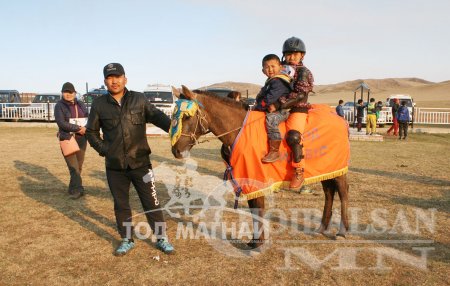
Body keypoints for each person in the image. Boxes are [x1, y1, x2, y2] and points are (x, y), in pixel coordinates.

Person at [86, 63, 174, 256]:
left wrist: (176, 131)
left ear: (125, 78)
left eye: (118, 77)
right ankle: (127, 239)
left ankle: (161, 238)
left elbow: (158, 117)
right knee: (121, 204)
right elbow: (91, 132)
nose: (114, 81)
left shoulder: (139, 99)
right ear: (105, 81)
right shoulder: (99, 104)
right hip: (115, 166)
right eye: (110, 77)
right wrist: (105, 150)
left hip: (141, 163)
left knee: (151, 202)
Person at [277, 36, 314, 191]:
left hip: (297, 108)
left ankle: (299, 170)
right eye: (288, 54)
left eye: (295, 54)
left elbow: (299, 94)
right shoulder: (281, 70)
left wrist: (280, 103)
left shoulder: (303, 72)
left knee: (293, 136)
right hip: (279, 107)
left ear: (302, 55)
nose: (291, 57)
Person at [253, 54, 293, 163]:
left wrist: (258, 107)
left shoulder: (279, 81)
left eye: (273, 66)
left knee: (271, 119)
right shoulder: (270, 81)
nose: (270, 69)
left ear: (280, 67)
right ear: (263, 70)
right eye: (267, 67)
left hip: (283, 110)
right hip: (274, 107)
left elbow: (270, 98)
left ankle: (275, 151)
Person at [54, 82, 88, 199]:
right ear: (62, 93)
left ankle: (72, 188)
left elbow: (88, 117)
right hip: (67, 139)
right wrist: (79, 129)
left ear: (75, 93)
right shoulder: (59, 106)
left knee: (78, 166)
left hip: (82, 139)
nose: (68, 94)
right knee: (73, 167)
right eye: (65, 92)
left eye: (70, 92)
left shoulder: (81, 104)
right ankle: (78, 190)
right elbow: (61, 123)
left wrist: (86, 128)